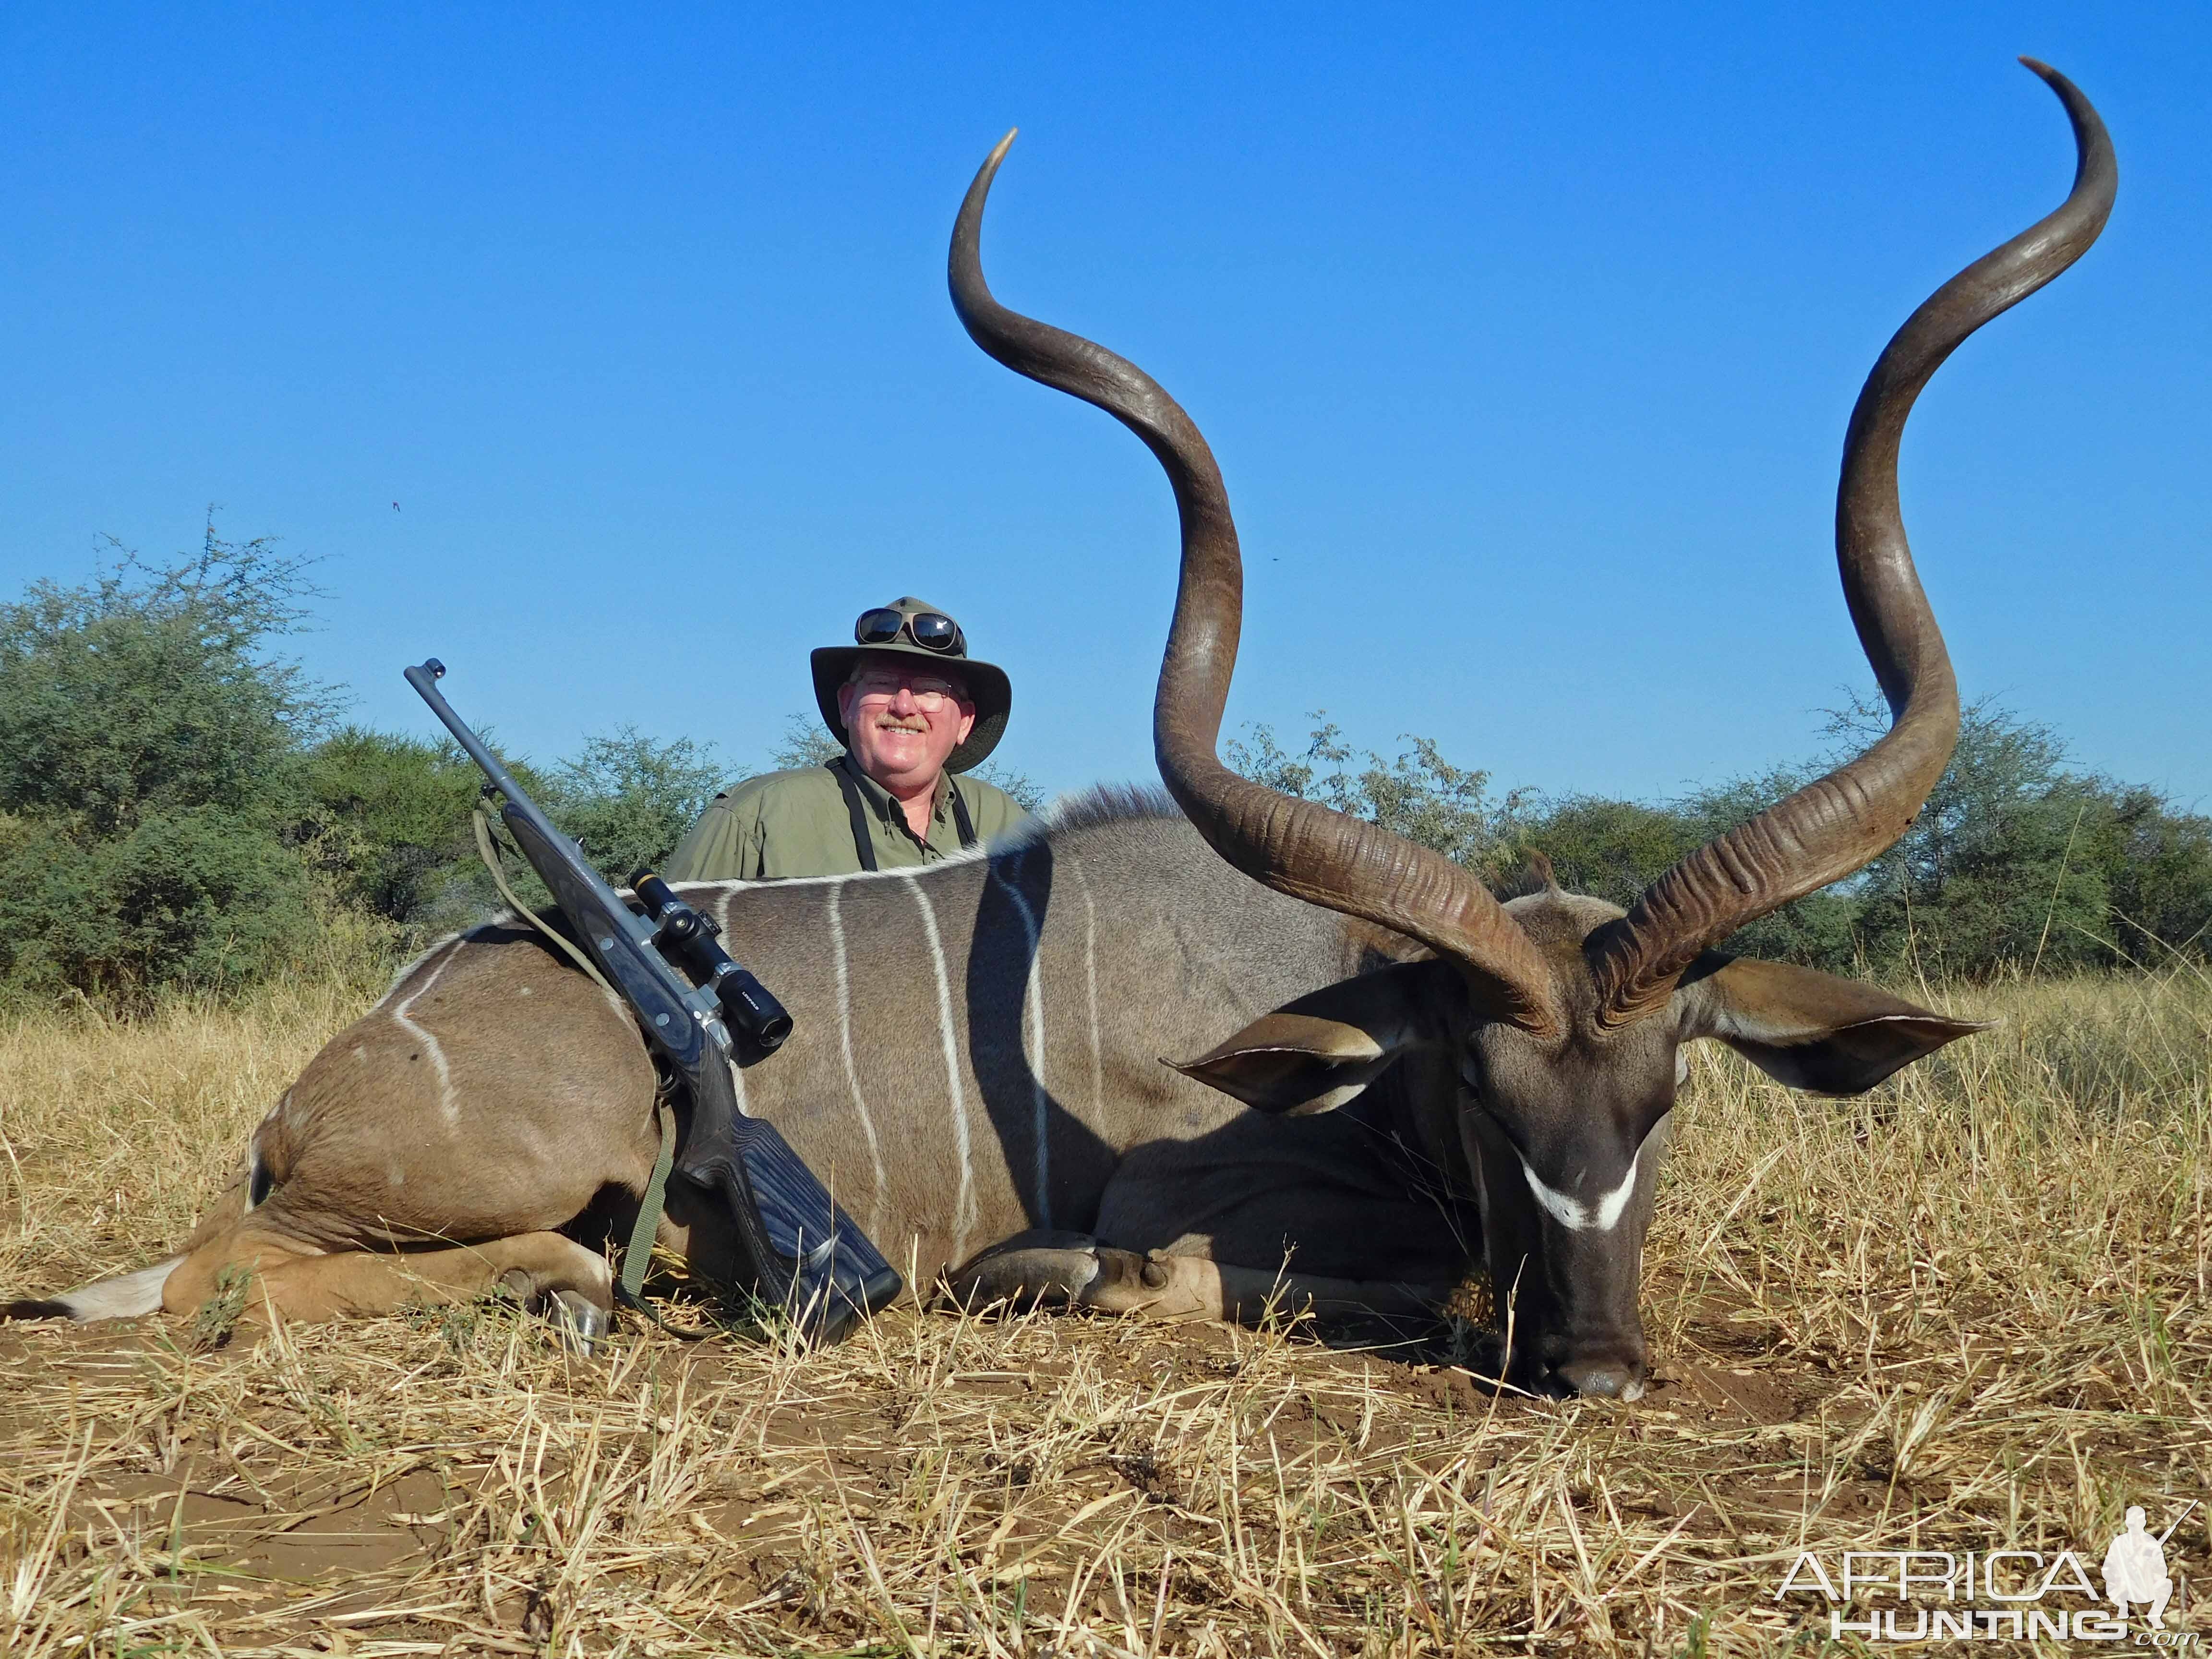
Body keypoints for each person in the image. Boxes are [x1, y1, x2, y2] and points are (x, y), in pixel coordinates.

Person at [663, 597, 1026, 881]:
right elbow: (652, 963)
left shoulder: (1007, 826)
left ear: (964, 721)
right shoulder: (755, 817)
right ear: (847, 704)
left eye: (930, 690)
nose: (903, 705)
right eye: (882, 683)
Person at [2102, 1506, 2173, 1628]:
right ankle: (2122, 1610)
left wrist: (2151, 1568)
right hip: (2123, 1587)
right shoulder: (2119, 1542)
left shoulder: (2152, 1543)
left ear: (2145, 1522)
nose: (2135, 1525)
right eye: (2132, 1522)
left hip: (2146, 1586)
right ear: (2127, 1523)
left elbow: (2163, 1570)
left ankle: (2155, 1615)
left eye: (2139, 1521)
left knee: (2167, 1584)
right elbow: (2107, 1568)